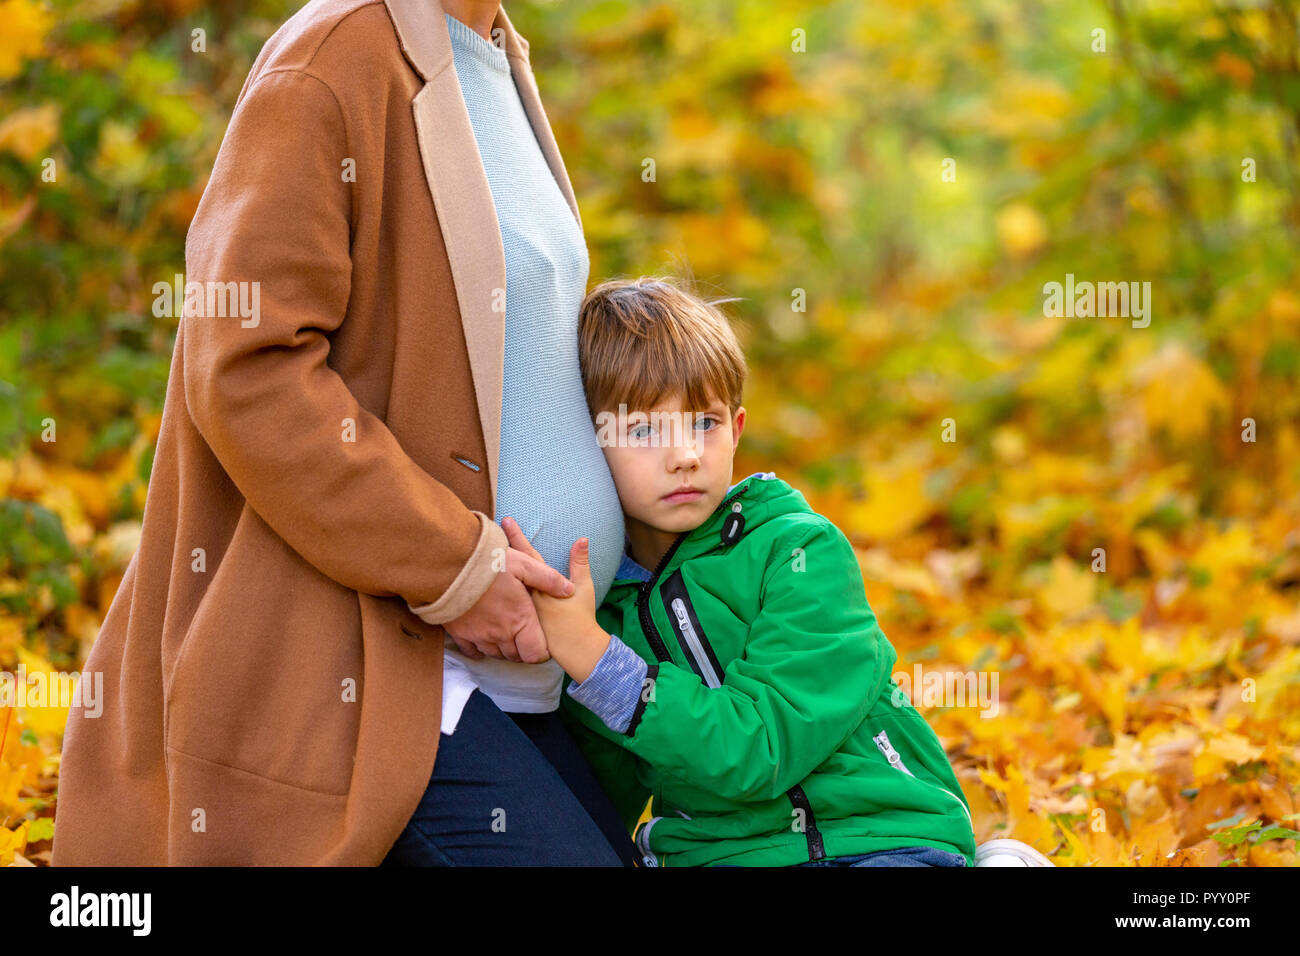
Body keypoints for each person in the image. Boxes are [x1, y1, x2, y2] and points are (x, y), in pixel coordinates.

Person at [53, 0, 637, 866]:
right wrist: (455, 568)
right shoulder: (332, 59)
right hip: (374, 665)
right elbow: (250, 367)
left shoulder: (493, 50)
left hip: (526, 669)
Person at [501, 275, 980, 867]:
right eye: (643, 429)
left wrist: (603, 666)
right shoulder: (601, 611)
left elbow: (764, 750)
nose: (685, 455)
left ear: (738, 429)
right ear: (586, 447)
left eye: (705, 422)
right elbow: (601, 806)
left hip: (877, 840)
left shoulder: (799, 553)